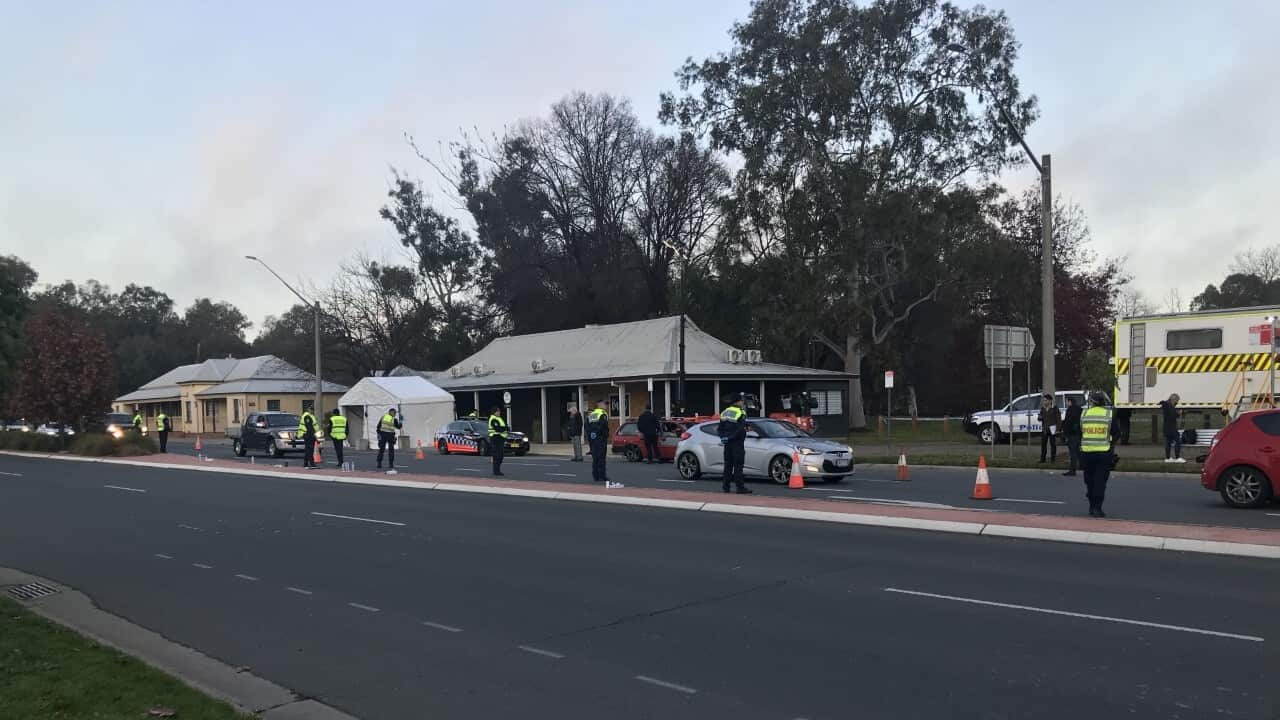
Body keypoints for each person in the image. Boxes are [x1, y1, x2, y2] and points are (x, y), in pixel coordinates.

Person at [1080, 391, 1115, 517]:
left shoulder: (1084, 414)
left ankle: (1091, 506)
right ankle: (1097, 508)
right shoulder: (1108, 414)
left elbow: (1080, 432)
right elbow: (1116, 433)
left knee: (1089, 481)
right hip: (1103, 453)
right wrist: (1110, 442)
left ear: (1091, 402)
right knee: (1100, 482)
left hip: (1087, 453)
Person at [718, 394, 752, 494]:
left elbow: (720, 428)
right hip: (737, 443)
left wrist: (724, 438)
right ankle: (740, 487)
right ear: (737, 402)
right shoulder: (741, 412)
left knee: (728, 465)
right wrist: (744, 429)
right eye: (741, 401)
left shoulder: (724, 412)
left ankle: (726, 487)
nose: (742, 403)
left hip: (727, 443)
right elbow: (739, 428)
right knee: (738, 466)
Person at [586, 400, 610, 482]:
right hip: (601, 439)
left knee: (595, 458)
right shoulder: (602, 414)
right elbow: (604, 426)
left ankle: (595, 475)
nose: (606, 406)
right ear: (599, 404)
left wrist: (591, 436)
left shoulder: (592, 414)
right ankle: (602, 476)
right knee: (601, 458)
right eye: (605, 404)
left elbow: (587, 427)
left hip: (593, 439)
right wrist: (605, 435)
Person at [1160, 393, 1185, 463]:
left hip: (1166, 427)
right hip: (1171, 427)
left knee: (1168, 443)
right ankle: (1177, 458)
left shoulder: (1166, 405)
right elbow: (1172, 416)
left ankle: (1167, 458)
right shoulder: (1169, 406)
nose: (1177, 403)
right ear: (1173, 399)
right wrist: (1179, 414)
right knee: (1178, 441)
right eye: (1177, 401)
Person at [1061, 396, 1083, 477]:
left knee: (1073, 453)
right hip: (1078, 433)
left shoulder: (1070, 410)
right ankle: (1082, 466)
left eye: (1067, 402)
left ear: (1070, 402)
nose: (1067, 403)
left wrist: (1064, 433)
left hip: (1071, 434)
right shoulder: (1080, 409)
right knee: (1078, 451)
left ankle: (1072, 470)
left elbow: (1068, 422)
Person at [1037, 394, 1060, 464]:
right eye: (1043, 400)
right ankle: (1042, 459)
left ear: (1050, 401)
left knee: (1053, 444)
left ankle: (1053, 459)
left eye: (1045, 400)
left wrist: (1058, 429)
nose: (1044, 402)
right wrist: (1040, 417)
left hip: (1052, 428)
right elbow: (1039, 418)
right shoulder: (1042, 408)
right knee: (1043, 444)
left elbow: (1058, 419)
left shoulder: (1055, 408)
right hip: (1045, 429)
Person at [488, 405, 508, 476]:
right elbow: (497, 429)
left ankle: (497, 470)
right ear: (494, 412)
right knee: (497, 455)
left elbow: (503, 427)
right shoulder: (493, 419)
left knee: (500, 455)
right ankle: (496, 471)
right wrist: (505, 428)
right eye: (498, 411)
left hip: (500, 438)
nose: (499, 412)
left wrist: (505, 428)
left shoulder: (498, 418)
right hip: (495, 438)